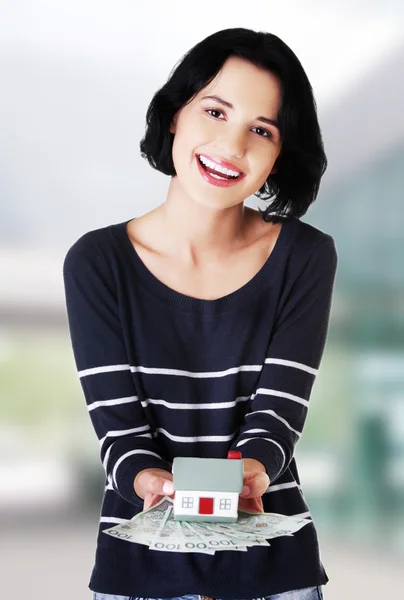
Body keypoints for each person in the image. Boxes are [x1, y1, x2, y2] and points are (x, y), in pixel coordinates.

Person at [62, 27, 337, 600]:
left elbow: (277, 416)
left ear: (279, 155)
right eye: (215, 111)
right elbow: (119, 429)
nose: (232, 146)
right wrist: (154, 484)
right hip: (140, 568)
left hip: (270, 570)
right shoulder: (98, 262)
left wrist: (248, 476)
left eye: (261, 130)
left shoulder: (305, 257)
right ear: (173, 117)